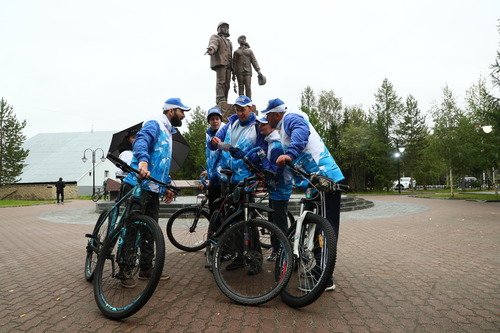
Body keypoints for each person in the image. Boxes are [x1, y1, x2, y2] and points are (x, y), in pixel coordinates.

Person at [261, 98, 345, 291]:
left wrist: (290, 153)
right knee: (316, 228)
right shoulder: (282, 130)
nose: (266, 119)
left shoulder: (292, 117)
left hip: (325, 179)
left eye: (267, 115)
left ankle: (325, 278)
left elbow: (302, 132)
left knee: (327, 229)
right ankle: (319, 268)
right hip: (314, 182)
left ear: (276, 114)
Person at [120, 97, 191, 288]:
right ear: (171, 111)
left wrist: (166, 184)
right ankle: (124, 269)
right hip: (138, 184)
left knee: (150, 229)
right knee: (132, 227)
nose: (183, 115)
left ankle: (145, 268)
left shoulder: (168, 132)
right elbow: (141, 140)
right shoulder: (155, 123)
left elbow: (161, 163)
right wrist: (142, 160)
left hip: (153, 188)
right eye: (181, 111)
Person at [255, 116, 293, 261]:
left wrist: (263, 159)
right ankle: (276, 249)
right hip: (275, 190)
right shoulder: (270, 142)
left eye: (263, 125)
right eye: (259, 126)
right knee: (273, 220)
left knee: (280, 224)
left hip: (280, 191)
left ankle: (285, 253)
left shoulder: (276, 145)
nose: (260, 128)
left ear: (270, 126)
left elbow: (276, 173)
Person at [207, 95, 264, 189]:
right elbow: (212, 146)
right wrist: (213, 140)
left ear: (251, 108)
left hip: (245, 179)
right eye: (237, 110)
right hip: (225, 177)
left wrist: (244, 155)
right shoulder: (231, 124)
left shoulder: (258, 126)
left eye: (242, 110)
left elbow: (262, 153)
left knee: (244, 204)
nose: (240, 113)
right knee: (224, 203)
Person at [202, 107, 226, 216]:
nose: (215, 121)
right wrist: (208, 171)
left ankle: (220, 232)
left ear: (221, 120)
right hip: (213, 178)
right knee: (213, 209)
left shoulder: (225, 132)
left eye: (217, 118)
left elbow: (222, 158)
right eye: (212, 119)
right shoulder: (209, 134)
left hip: (222, 178)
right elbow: (210, 157)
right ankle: (215, 232)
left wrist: (212, 178)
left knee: (220, 210)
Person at [206, 22, 233, 104]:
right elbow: (213, 44)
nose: (225, 29)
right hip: (221, 62)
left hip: (228, 64)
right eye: (223, 27)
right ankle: (220, 98)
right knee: (221, 81)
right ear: (219, 29)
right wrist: (211, 49)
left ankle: (225, 98)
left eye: (226, 27)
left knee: (227, 83)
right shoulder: (216, 37)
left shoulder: (229, 42)